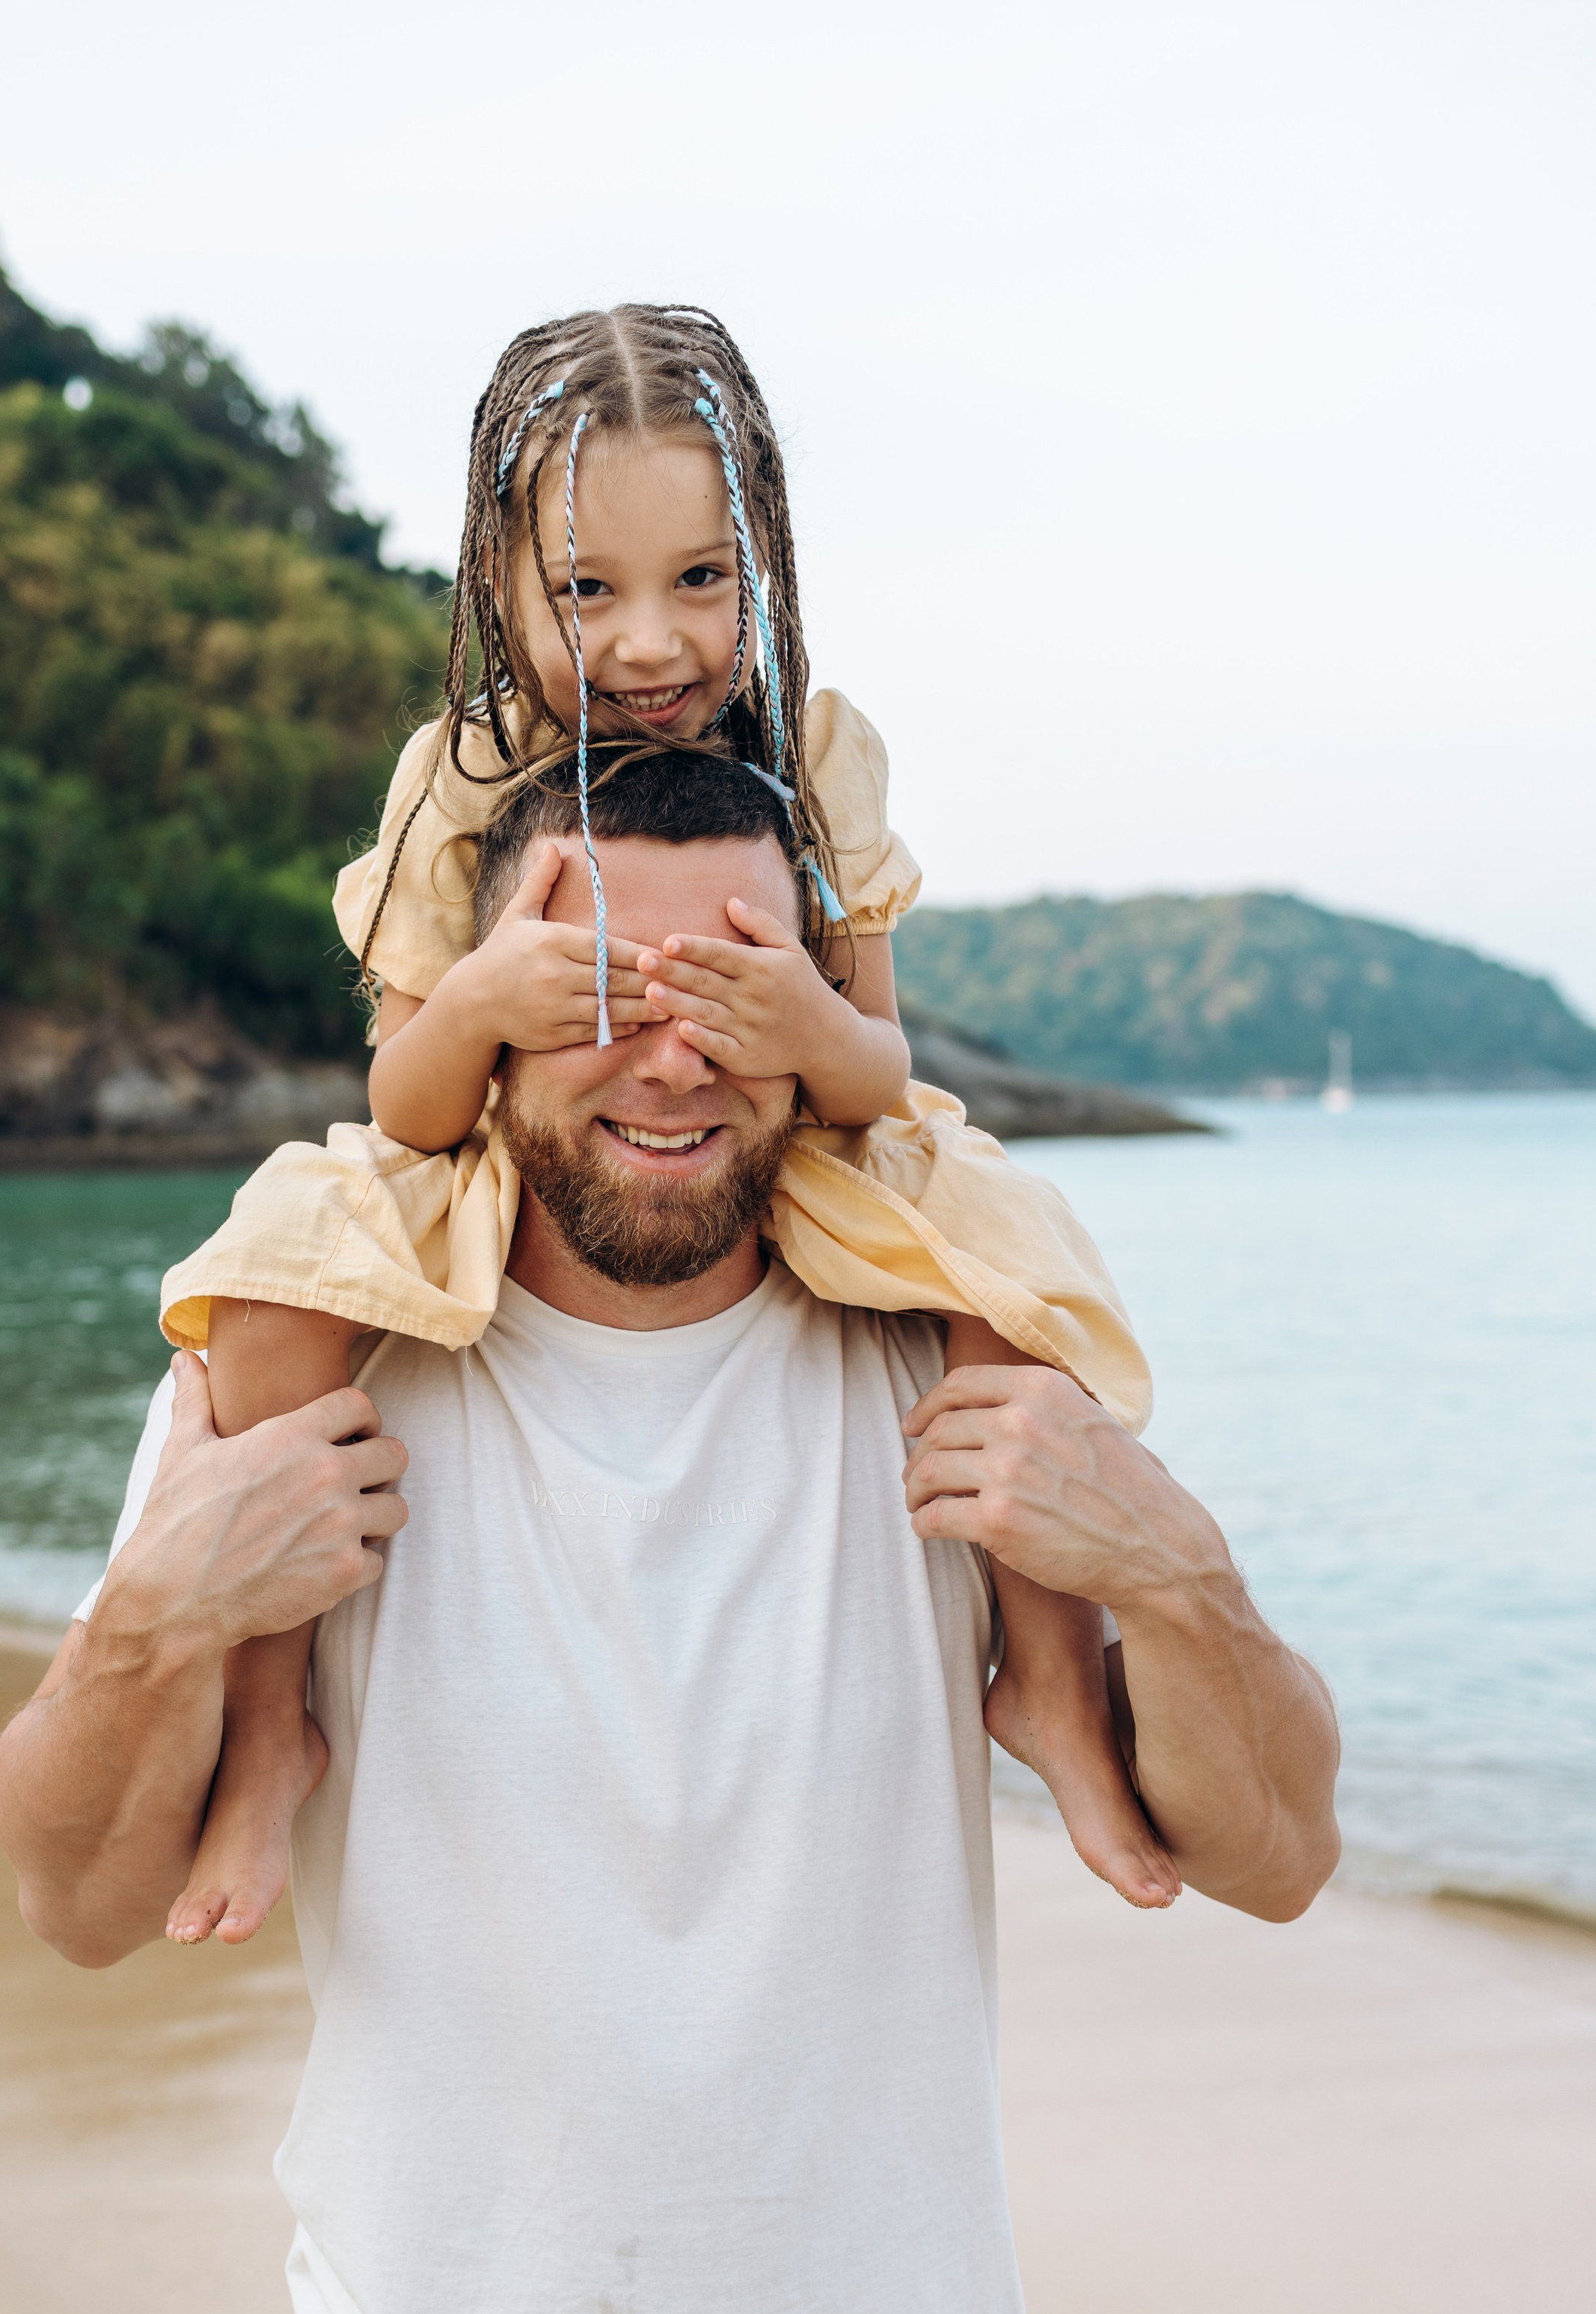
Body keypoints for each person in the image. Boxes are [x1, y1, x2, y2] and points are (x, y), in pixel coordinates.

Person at [0, 757, 1340, 2314]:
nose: (673, 1054)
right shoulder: (323, 1372)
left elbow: (1275, 1848)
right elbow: (75, 1894)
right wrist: (165, 1609)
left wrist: (1165, 1563)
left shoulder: (951, 1355)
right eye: (605, 984)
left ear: (826, 1022)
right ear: (484, 1016)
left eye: (739, 986)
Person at [153, 302, 1181, 1957]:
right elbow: (404, 1110)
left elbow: (880, 1073)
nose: (650, 642)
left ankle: (1049, 1683)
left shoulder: (811, 763)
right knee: (272, 1292)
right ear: (495, 585)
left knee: (1005, 1276)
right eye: (586, 589)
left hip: (793, 1144)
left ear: (755, 563)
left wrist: (812, 1032)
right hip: (509, 1160)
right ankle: (268, 1710)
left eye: (699, 579)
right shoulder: (460, 782)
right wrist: (485, 1001)